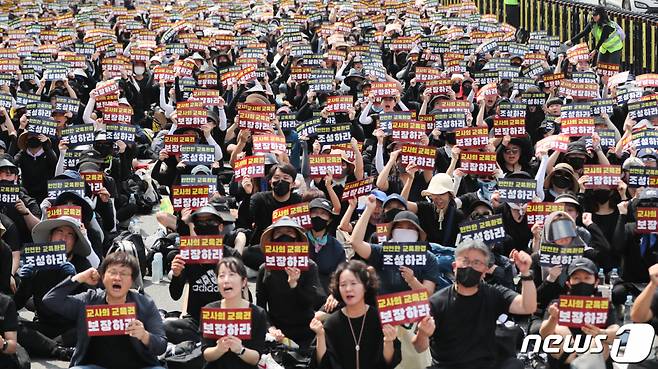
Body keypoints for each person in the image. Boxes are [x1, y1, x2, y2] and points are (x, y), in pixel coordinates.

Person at [412, 239, 536, 369]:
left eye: (477, 263)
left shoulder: (494, 294)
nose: (470, 266)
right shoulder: (436, 302)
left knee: (514, 364)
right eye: (465, 261)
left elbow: (527, 306)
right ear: (454, 266)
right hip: (447, 365)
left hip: (485, 364)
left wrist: (526, 273)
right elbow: (419, 347)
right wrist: (423, 334)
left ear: (485, 271)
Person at [42, 252, 167, 369]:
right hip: (94, 366)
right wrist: (79, 278)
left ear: (132, 281)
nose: (117, 278)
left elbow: (161, 345)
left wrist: (144, 335)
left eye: (123, 274)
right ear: (103, 277)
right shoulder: (89, 300)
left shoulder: (145, 304)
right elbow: (50, 300)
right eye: (112, 272)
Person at [309, 260, 402, 369]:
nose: (348, 289)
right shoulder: (332, 323)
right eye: (343, 285)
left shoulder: (380, 318)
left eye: (353, 283)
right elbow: (322, 364)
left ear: (365, 286)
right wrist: (320, 335)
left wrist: (388, 341)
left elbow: (388, 363)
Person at [256, 216, 325, 349]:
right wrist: (270, 327)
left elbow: (311, 301)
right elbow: (261, 306)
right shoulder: (264, 269)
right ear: (272, 240)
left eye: (289, 232)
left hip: (306, 330)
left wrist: (294, 285)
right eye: (279, 233)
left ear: (298, 239)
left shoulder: (310, 266)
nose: (284, 236)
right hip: (278, 332)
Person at [540, 257, 620, 368]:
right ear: (569, 283)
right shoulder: (557, 304)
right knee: (558, 331)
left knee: (601, 342)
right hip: (565, 355)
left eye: (587, 278)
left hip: (593, 356)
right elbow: (544, 333)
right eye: (576, 278)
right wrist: (553, 318)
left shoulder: (604, 306)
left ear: (596, 282)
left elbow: (616, 333)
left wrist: (601, 333)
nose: (582, 282)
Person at [202, 257, 267, 369]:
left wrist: (240, 350)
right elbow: (206, 353)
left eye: (232, 274)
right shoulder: (210, 310)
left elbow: (256, 358)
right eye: (221, 276)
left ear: (244, 282)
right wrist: (219, 349)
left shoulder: (257, 313)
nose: (226, 280)